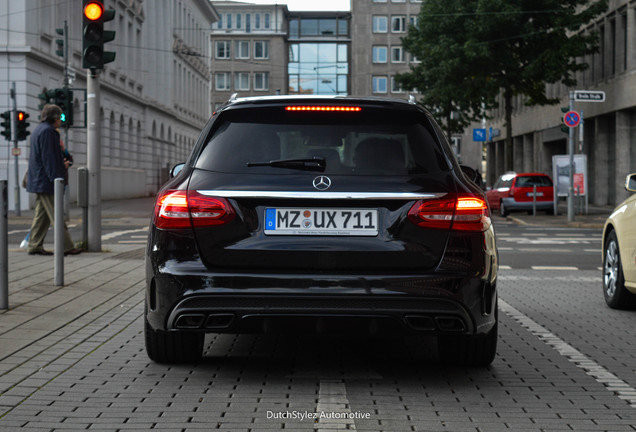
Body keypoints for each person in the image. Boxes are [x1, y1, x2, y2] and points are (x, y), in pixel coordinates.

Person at [26, 104, 82, 256]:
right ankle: (67, 246)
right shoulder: (49, 132)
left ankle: (34, 245)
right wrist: (57, 179)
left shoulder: (38, 130)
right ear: (55, 118)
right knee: (56, 214)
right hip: (47, 181)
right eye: (61, 117)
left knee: (41, 216)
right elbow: (49, 158)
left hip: (40, 180)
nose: (62, 121)